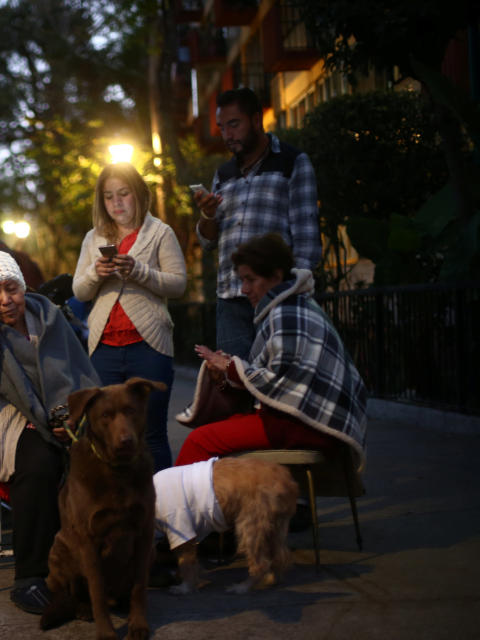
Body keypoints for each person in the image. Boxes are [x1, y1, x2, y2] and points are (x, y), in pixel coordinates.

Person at [0, 250, 100, 615]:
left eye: (11, 289)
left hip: (54, 414)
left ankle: (90, 565)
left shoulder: (48, 317)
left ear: (23, 287)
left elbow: (78, 374)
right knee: (39, 460)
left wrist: (71, 417)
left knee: (97, 457)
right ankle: (29, 576)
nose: (4, 300)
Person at [175, 233, 366, 468]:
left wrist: (229, 366)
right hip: (304, 421)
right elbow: (279, 378)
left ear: (276, 276)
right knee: (219, 429)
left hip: (307, 425)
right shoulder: (290, 306)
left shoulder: (288, 312)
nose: (244, 289)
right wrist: (227, 372)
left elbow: (280, 380)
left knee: (200, 441)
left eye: (250, 280)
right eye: (242, 280)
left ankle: (175, 503)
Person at [72, 162, 187, 471]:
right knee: (104, 435)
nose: (117, 203)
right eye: (109, 197)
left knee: (151, 435)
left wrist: (139, 271)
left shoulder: (159, 232)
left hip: (148, 346)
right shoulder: (93, 238)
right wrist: (96, 274)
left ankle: (162, 511)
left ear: (138, 194)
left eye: (124, 194)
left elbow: (178, 283)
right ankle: (117, 511)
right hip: (104, 348)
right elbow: (80, 291)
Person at [195, 87, 321, 360]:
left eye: (234, 124)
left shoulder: (292, 162)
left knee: (276, 383)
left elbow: (307, 239)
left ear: (256, 120)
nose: (227, 134)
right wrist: (207, 215)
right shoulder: (224, 174)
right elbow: (207, 242)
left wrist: (289, 294)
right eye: (222, 127)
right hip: (230, 297)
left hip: (275, 297)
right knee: (233, 383)